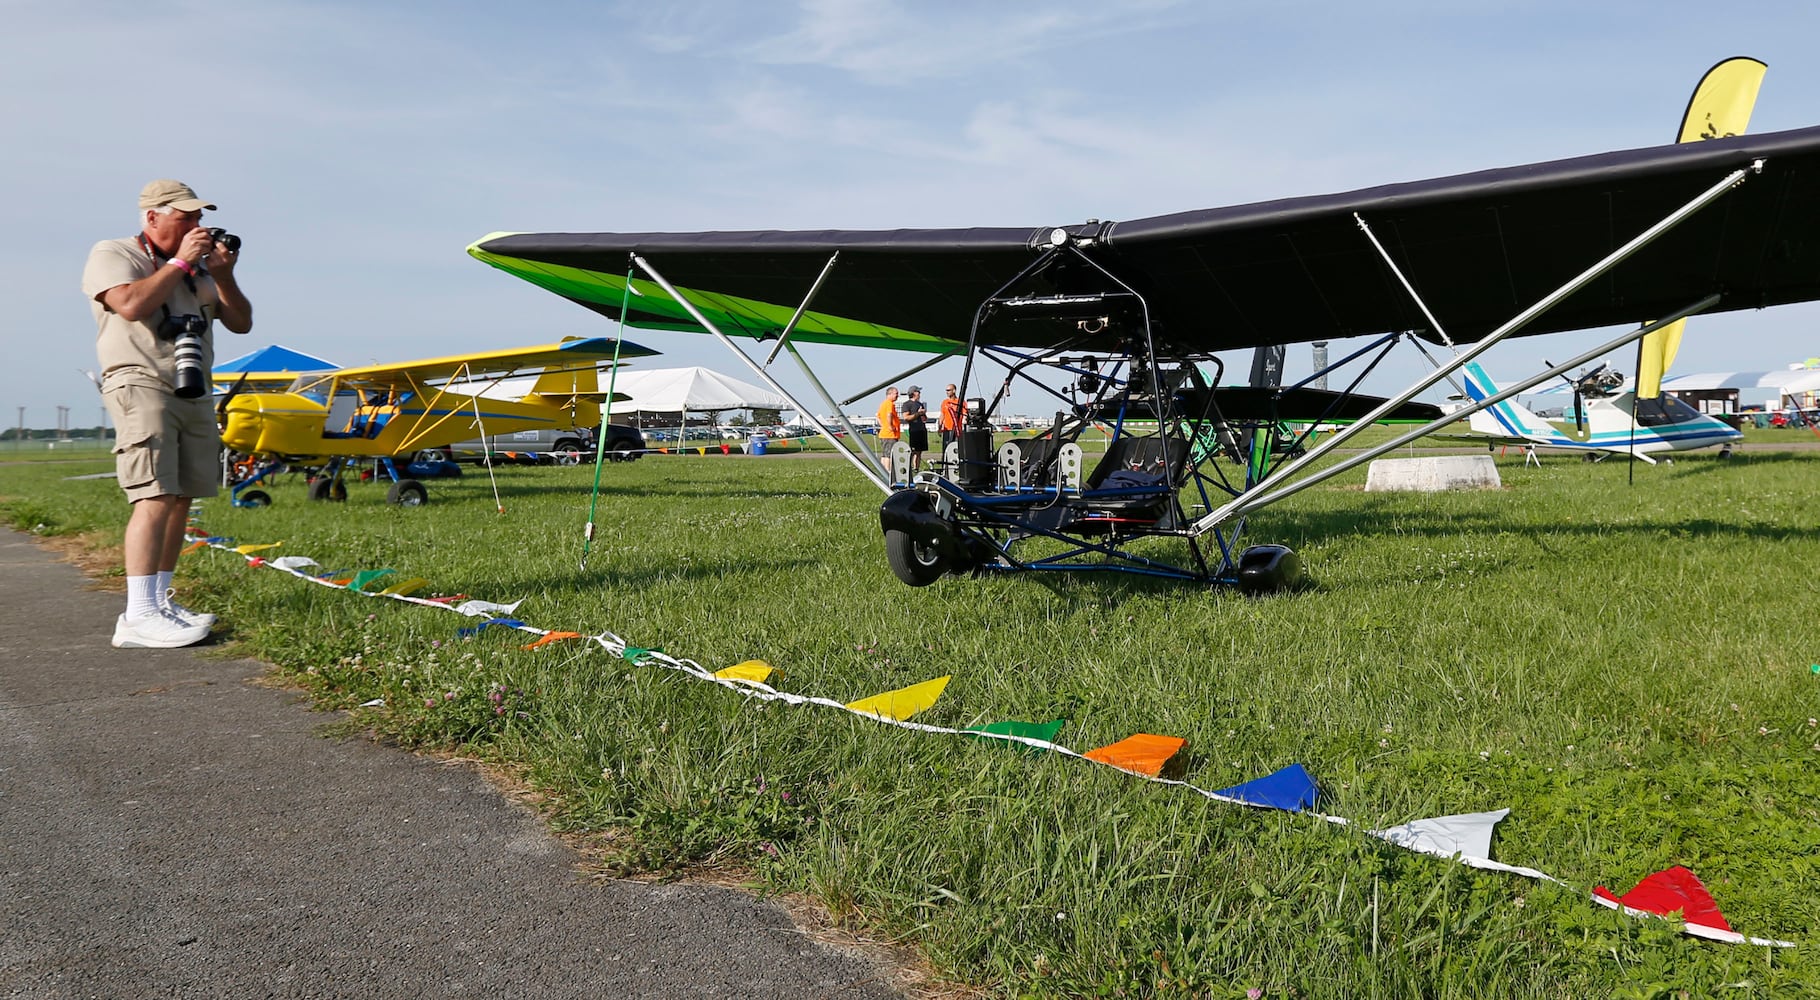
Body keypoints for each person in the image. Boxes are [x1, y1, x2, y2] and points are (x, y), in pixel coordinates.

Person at [84, 180, 252, 648]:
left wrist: (222, 274)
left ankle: (158, 602)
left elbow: (241, 322)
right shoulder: (114, 252)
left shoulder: (200, 272)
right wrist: (179, 263)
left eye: (199, 218)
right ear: (152, 216)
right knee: (154, 493)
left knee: (181, 498)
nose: (196, 226)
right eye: (185, 217)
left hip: (193, 388)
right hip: (139, 381)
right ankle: (136, 615)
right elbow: (132, 305)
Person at [900, 385, 929, 473]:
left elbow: (924, 418)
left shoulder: (920, 404)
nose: (920, 393)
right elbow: (906, 417)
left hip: (922, 429)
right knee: (913, 450)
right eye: (918, 392)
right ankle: (908, 466)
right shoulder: (907, 404)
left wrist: (923, 414)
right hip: (914, 430)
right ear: (914, 393)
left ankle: (916, 468)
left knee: (919, 451)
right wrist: (918, 413)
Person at [876, 386, 902, 479]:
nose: (897, 395)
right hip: (890, 434)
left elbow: (878, 416)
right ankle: (888, 472)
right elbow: (889, 414)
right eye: (896, 393)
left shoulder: (883, 404)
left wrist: (883, 425)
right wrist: (890, 426)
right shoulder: (889, 404)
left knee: (884, 453)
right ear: (889, 394)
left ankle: (883, 470)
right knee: (889, 454)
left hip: (884, 433)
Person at [938, 383, 964, 454]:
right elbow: (942, 415)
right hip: (947, 429)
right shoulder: (945, 402)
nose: (947, 392)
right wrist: (940, 427)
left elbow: (964, 415)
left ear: (954, 391)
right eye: (946, 390)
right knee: (946, 448)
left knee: (956, 448)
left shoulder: (960, 402)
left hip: (957, 430)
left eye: (949, 390)